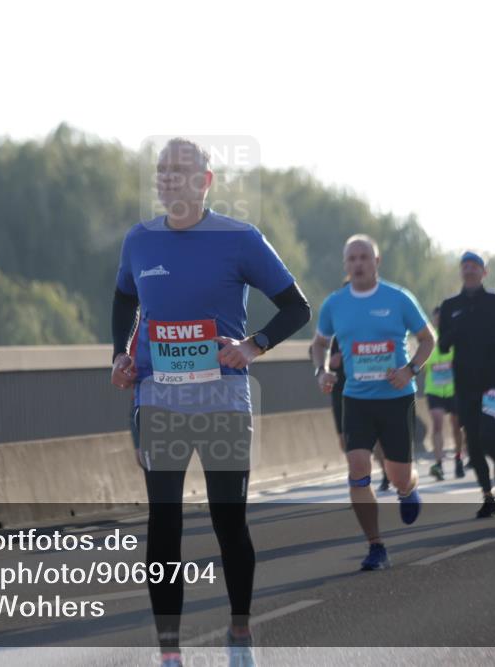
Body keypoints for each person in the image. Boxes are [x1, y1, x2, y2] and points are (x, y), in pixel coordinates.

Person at [111, 138, 310, 667]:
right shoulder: (140, 240)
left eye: (180, 169)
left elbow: (296, 308)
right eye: (161, 170)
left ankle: (240, 629)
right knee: (164, 523)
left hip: (222, 397)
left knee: (227, 519)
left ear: (206, 180)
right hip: (159, 398)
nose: (168, 177)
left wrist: (253, 346)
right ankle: (169, 652)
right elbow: (125, 297)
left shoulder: (239, 239)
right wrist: (119, 355)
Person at [312, 234, 434, 571]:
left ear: (376, 262)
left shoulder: (398, 298)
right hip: (356, 399)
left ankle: (407, 489)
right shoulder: (334, 304)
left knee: (397, 475)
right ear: (345, 266)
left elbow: (427, 339)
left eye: (364, 257)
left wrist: (410, 370)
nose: (358, 264)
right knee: (358, 468)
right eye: (351, 259)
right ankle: (375, 545)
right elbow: (319, 344)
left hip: (396, 398)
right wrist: (321, 372)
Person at [438, 252, 495, 518]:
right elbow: (443, 344)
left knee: (488, 434)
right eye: (465, 267)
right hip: (464, 383)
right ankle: (487, 496)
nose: (469, 270)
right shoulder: (450, 306)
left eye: (474, 266)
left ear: (484, 272)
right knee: (472, 443)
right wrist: (454, 331)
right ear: (460, 272)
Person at [316, 317, 391, 491]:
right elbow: (316, 350)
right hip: (339, 391)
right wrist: (326, 367)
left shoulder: (369, 330)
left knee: (374, 438)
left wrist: (347, 356)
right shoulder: (332, 332)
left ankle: (376, 477)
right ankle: (362, 476)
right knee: (345, 441)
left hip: (365, 391)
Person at [425, 306, 465, 480]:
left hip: (454, 389)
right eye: (437, 319)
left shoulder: (457, 339)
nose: (439, 321)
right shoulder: (428, 341)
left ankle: (458, 459)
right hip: (434, 389)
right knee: (437, 424)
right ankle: (439, 464)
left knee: (457, 426)